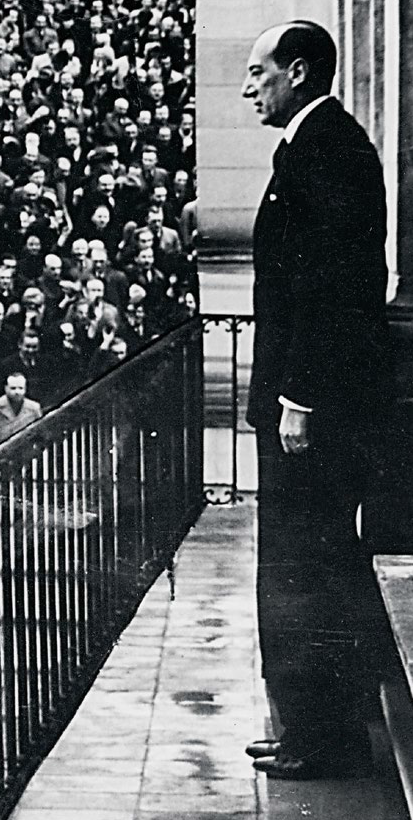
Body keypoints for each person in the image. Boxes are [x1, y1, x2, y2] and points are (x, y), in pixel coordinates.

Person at [240, 20, 395, 780]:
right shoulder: (312, 146)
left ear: (296, 72)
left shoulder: (328, 152)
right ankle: (302, 723)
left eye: (257, 72)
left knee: (310, 570)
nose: (247, 87)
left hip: (311, 411)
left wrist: (298, 396)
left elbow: (330, 292)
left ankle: (323, 738)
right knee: (296, 567)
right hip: (298, 406)